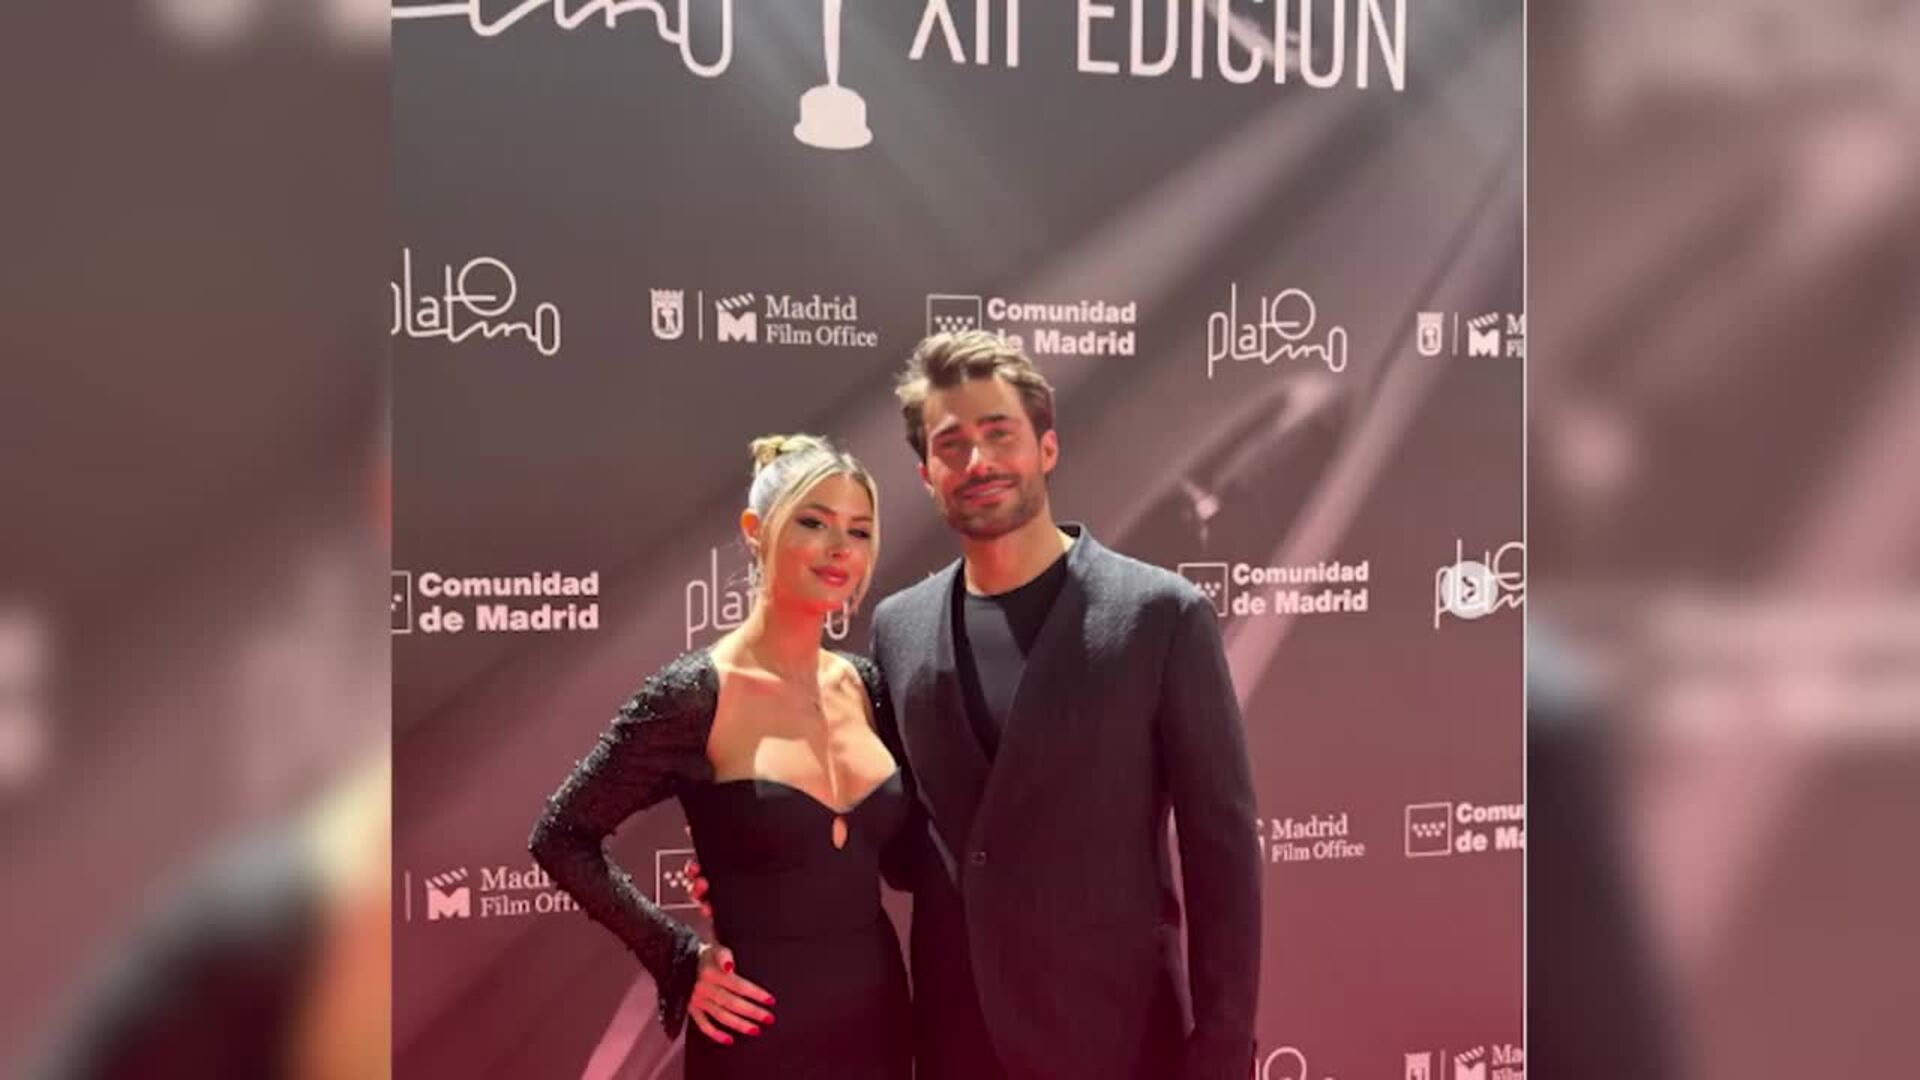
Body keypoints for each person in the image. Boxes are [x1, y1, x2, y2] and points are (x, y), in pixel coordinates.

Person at [694, 331, 1263, 1079]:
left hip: (1122, 1046)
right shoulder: (899, 629)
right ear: (926, 475)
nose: (978, 461)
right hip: (955, 1043)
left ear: (1047, 447)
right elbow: (897, 844)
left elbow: (1223, 854)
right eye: (951, 444)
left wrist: (1221, 1052)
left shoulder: (1160, 615)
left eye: (999, 434)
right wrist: (765, 864)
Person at [529, 434, 911, 1080]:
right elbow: (561, 835)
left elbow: (905, 860)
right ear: (756, 532)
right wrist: (678, 958)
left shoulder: (866, 684)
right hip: (758, 1035)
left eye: (859, 530)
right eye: (813, 522)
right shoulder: (694, 696)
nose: (839, 547)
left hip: (879, 1022)